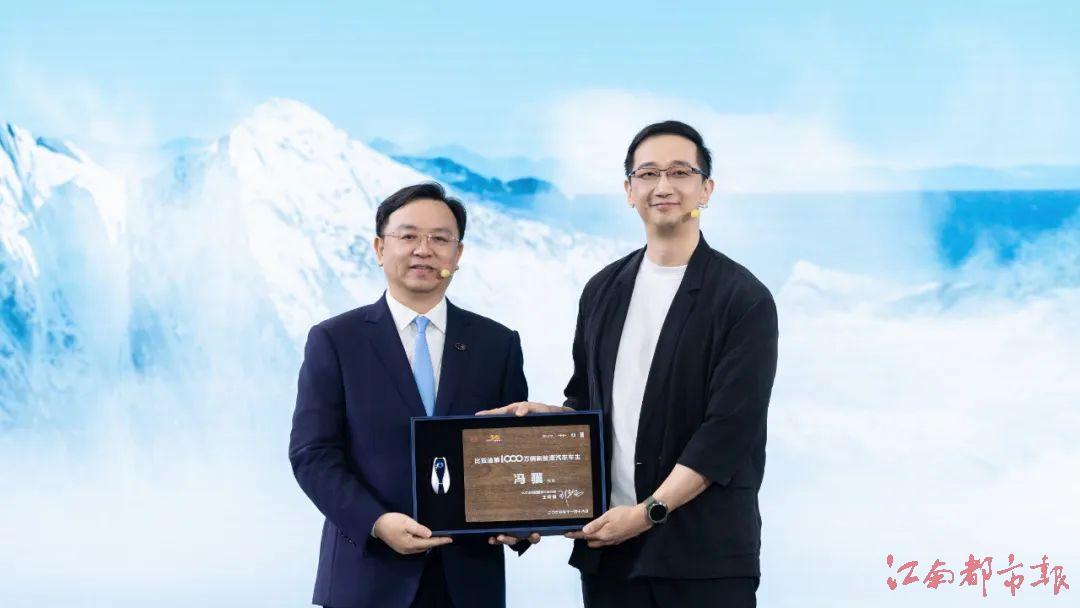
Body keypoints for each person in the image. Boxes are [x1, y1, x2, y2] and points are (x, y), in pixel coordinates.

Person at [481, 121, 778, 607]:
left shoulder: (743, 299)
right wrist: (548, 425)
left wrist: (645, 514)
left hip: (704, 560)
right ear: (628, 191)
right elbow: (588, 401)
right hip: (610, 553)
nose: (663, 186)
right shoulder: (603, 289)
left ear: (706, 189)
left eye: (680, 172)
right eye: (648, 173)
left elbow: (727, 431)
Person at [290, 182, 538, 608]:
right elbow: (312, 454)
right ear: (379, 248)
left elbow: (510, 452)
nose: (424, 250)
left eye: (440, 239)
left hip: (468, 581)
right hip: (366, 577)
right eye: (408, 236)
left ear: (457, 255)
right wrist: (377, 522)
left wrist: (520, 520)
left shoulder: (497, 344)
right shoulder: (336, 340)